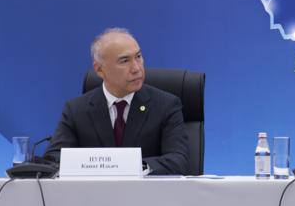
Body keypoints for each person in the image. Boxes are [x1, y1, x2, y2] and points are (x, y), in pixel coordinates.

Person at [46, 29, 190, 175]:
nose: (136, 68)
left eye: (138, 57)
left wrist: (133, 167)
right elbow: (53, 159)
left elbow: (178, 161)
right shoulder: (76, 110)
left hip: (145, 188)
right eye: (124, 61)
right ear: (99, 69)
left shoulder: (166, 105)